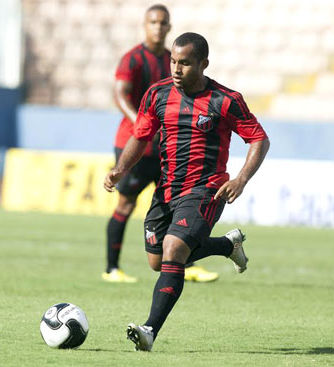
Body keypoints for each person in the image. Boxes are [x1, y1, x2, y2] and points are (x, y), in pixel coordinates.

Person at [104, 32, 270, 351]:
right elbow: (140, 136)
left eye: (185, 63)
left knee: (173, 250)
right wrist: (121, 168)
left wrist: (241, 179)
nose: (176, 69)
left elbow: (258, 138)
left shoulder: (226, 100)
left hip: (206, 190)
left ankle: (150, 330)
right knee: (158, 262)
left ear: (203, 64)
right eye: (173, 62)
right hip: (166, 190)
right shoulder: (158, 94)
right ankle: (226, 245)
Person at [103, 4, 218, 283]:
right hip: (136, 143)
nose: (158, 27)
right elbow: (120, 95)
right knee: (126, 204)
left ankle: (183, 263)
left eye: (163, 23)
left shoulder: (175, 58)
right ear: (145, 25)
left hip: (168, 147)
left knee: (176, 205)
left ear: (168, 27)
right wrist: (143, 123)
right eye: (153, 22)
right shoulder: (132, 59)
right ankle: (112, 269)